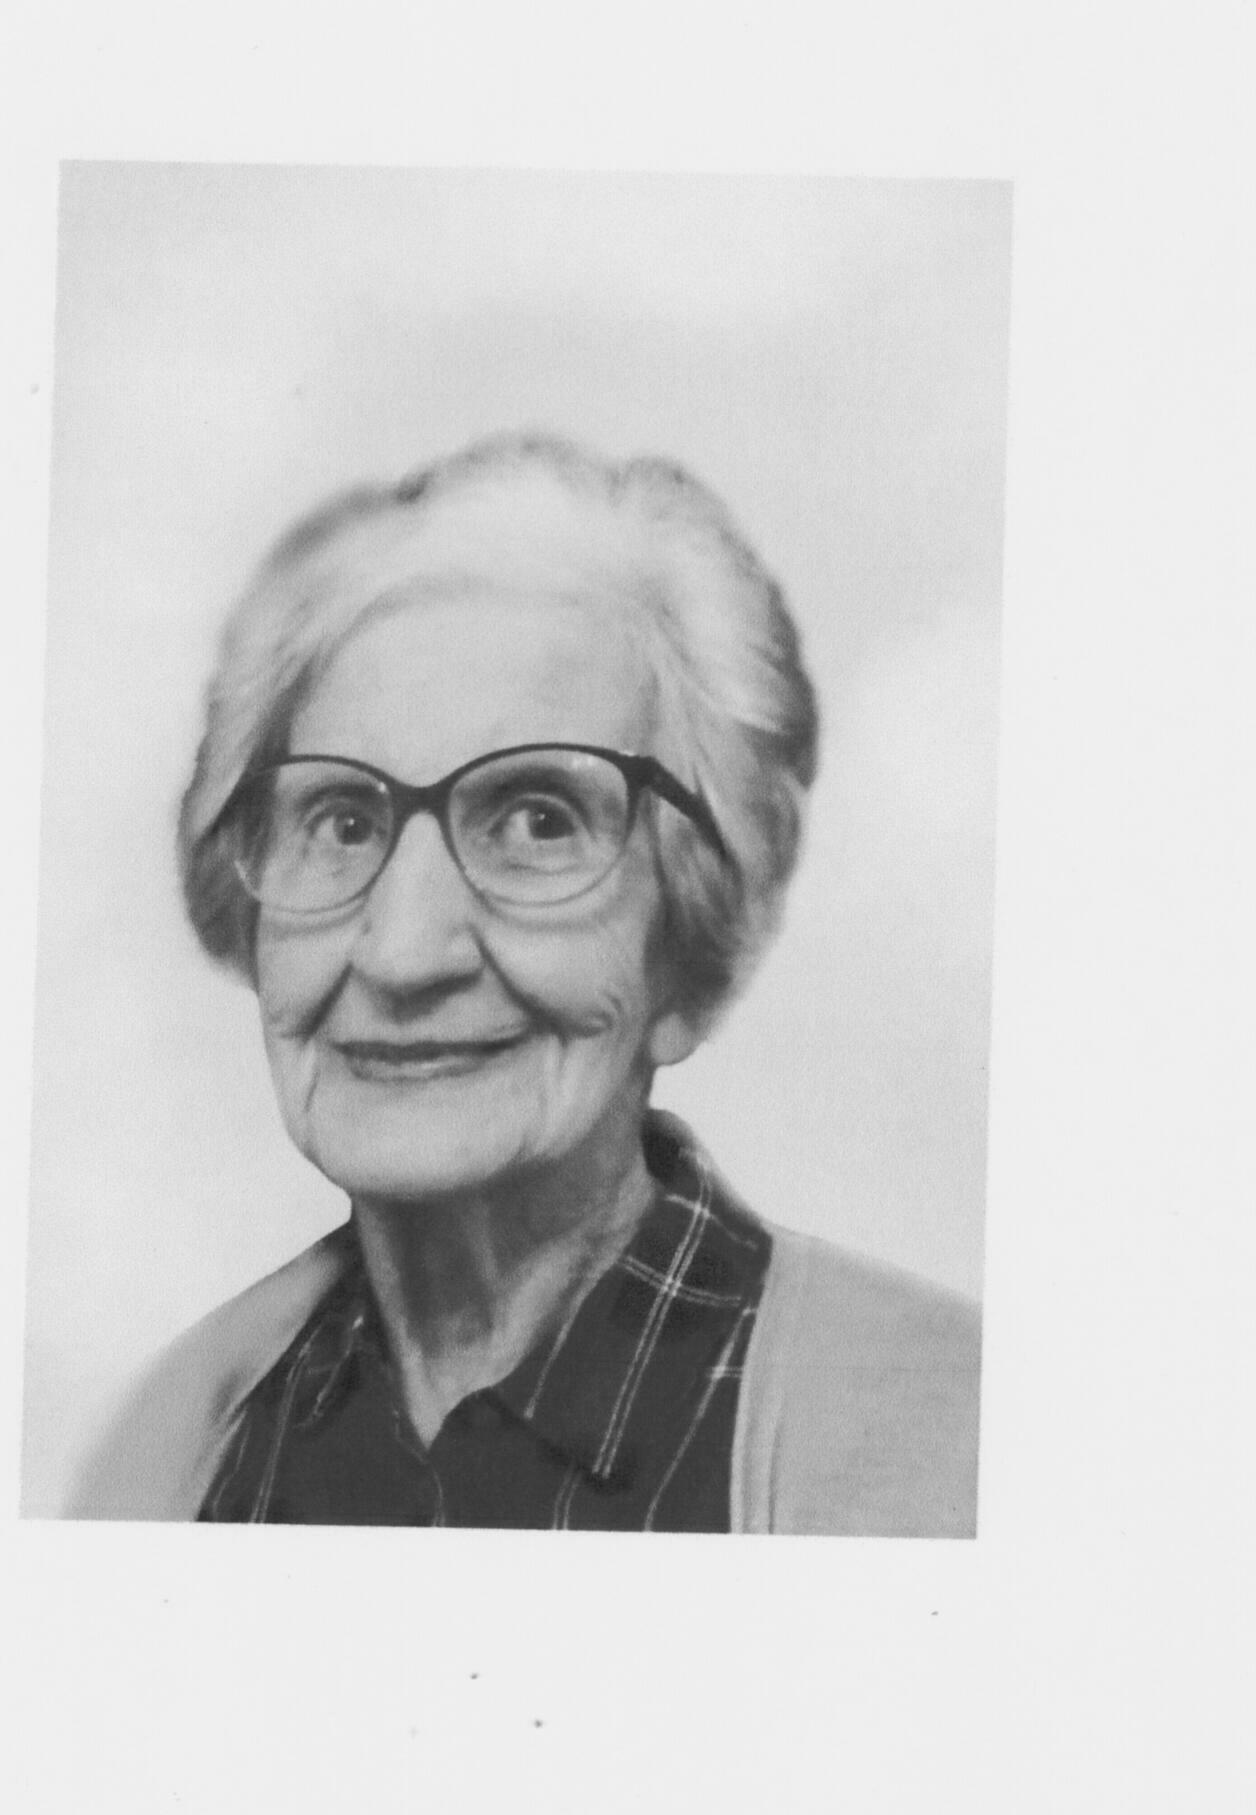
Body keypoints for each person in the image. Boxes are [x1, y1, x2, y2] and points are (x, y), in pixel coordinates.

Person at [70, 432, 980, 1534]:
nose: (403, 954)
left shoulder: (946, 1442)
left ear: (688, 942)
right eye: (342, 822)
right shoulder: (163, 1446)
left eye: (538, 821)